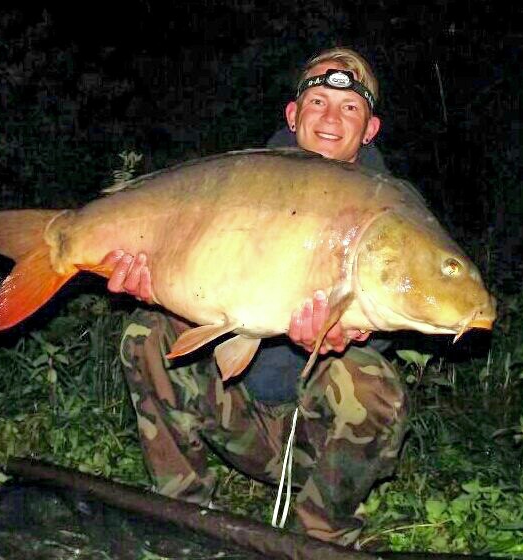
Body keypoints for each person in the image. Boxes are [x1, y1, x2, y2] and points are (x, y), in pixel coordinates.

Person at [100, 48, 408, 547]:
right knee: (147, 331)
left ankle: (318, 533)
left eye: (350, 107)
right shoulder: (237, 183)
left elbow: (382, 335)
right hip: (235, 414)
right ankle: (183, 514)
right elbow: (191, 277)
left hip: (311, 439)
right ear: (293, 115)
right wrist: (153, 284)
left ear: (370, 128)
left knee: (370, 382)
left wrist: (336, 341)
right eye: (318, 101)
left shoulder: (391, 211)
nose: (332, 118)